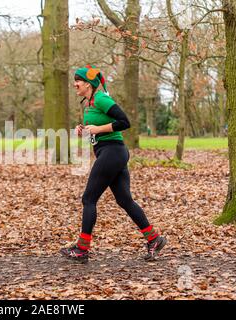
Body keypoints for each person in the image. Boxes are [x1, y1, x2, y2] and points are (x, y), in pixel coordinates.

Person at [60, 65, 167, 262]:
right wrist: (84, 130)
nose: (74, 84)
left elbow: (124, 122)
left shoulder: (101, 98)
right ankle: (153, 238)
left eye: (78, 81)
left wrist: (97, 129)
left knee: (88, 199)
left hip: (112, 152)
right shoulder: (90, 103)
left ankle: (82, 249)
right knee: (124, 200)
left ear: (88, 84)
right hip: (110, 152)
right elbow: (96, 131)